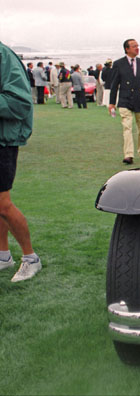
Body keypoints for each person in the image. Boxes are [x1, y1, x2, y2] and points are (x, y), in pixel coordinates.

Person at [0, 41, 42, 282]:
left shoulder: (4, 56)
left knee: (3, 204)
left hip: (3, 140)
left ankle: (31, 258)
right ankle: (3, 255)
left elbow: (19, 102)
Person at [109, 39, 140, 165]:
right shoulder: (118, 64)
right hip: (125, 100)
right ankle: (128, 155)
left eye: (137, 46)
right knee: (127, 128)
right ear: (127, 49)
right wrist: (112, 102)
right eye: (134, 46)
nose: (137, 48)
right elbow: (114, 84)